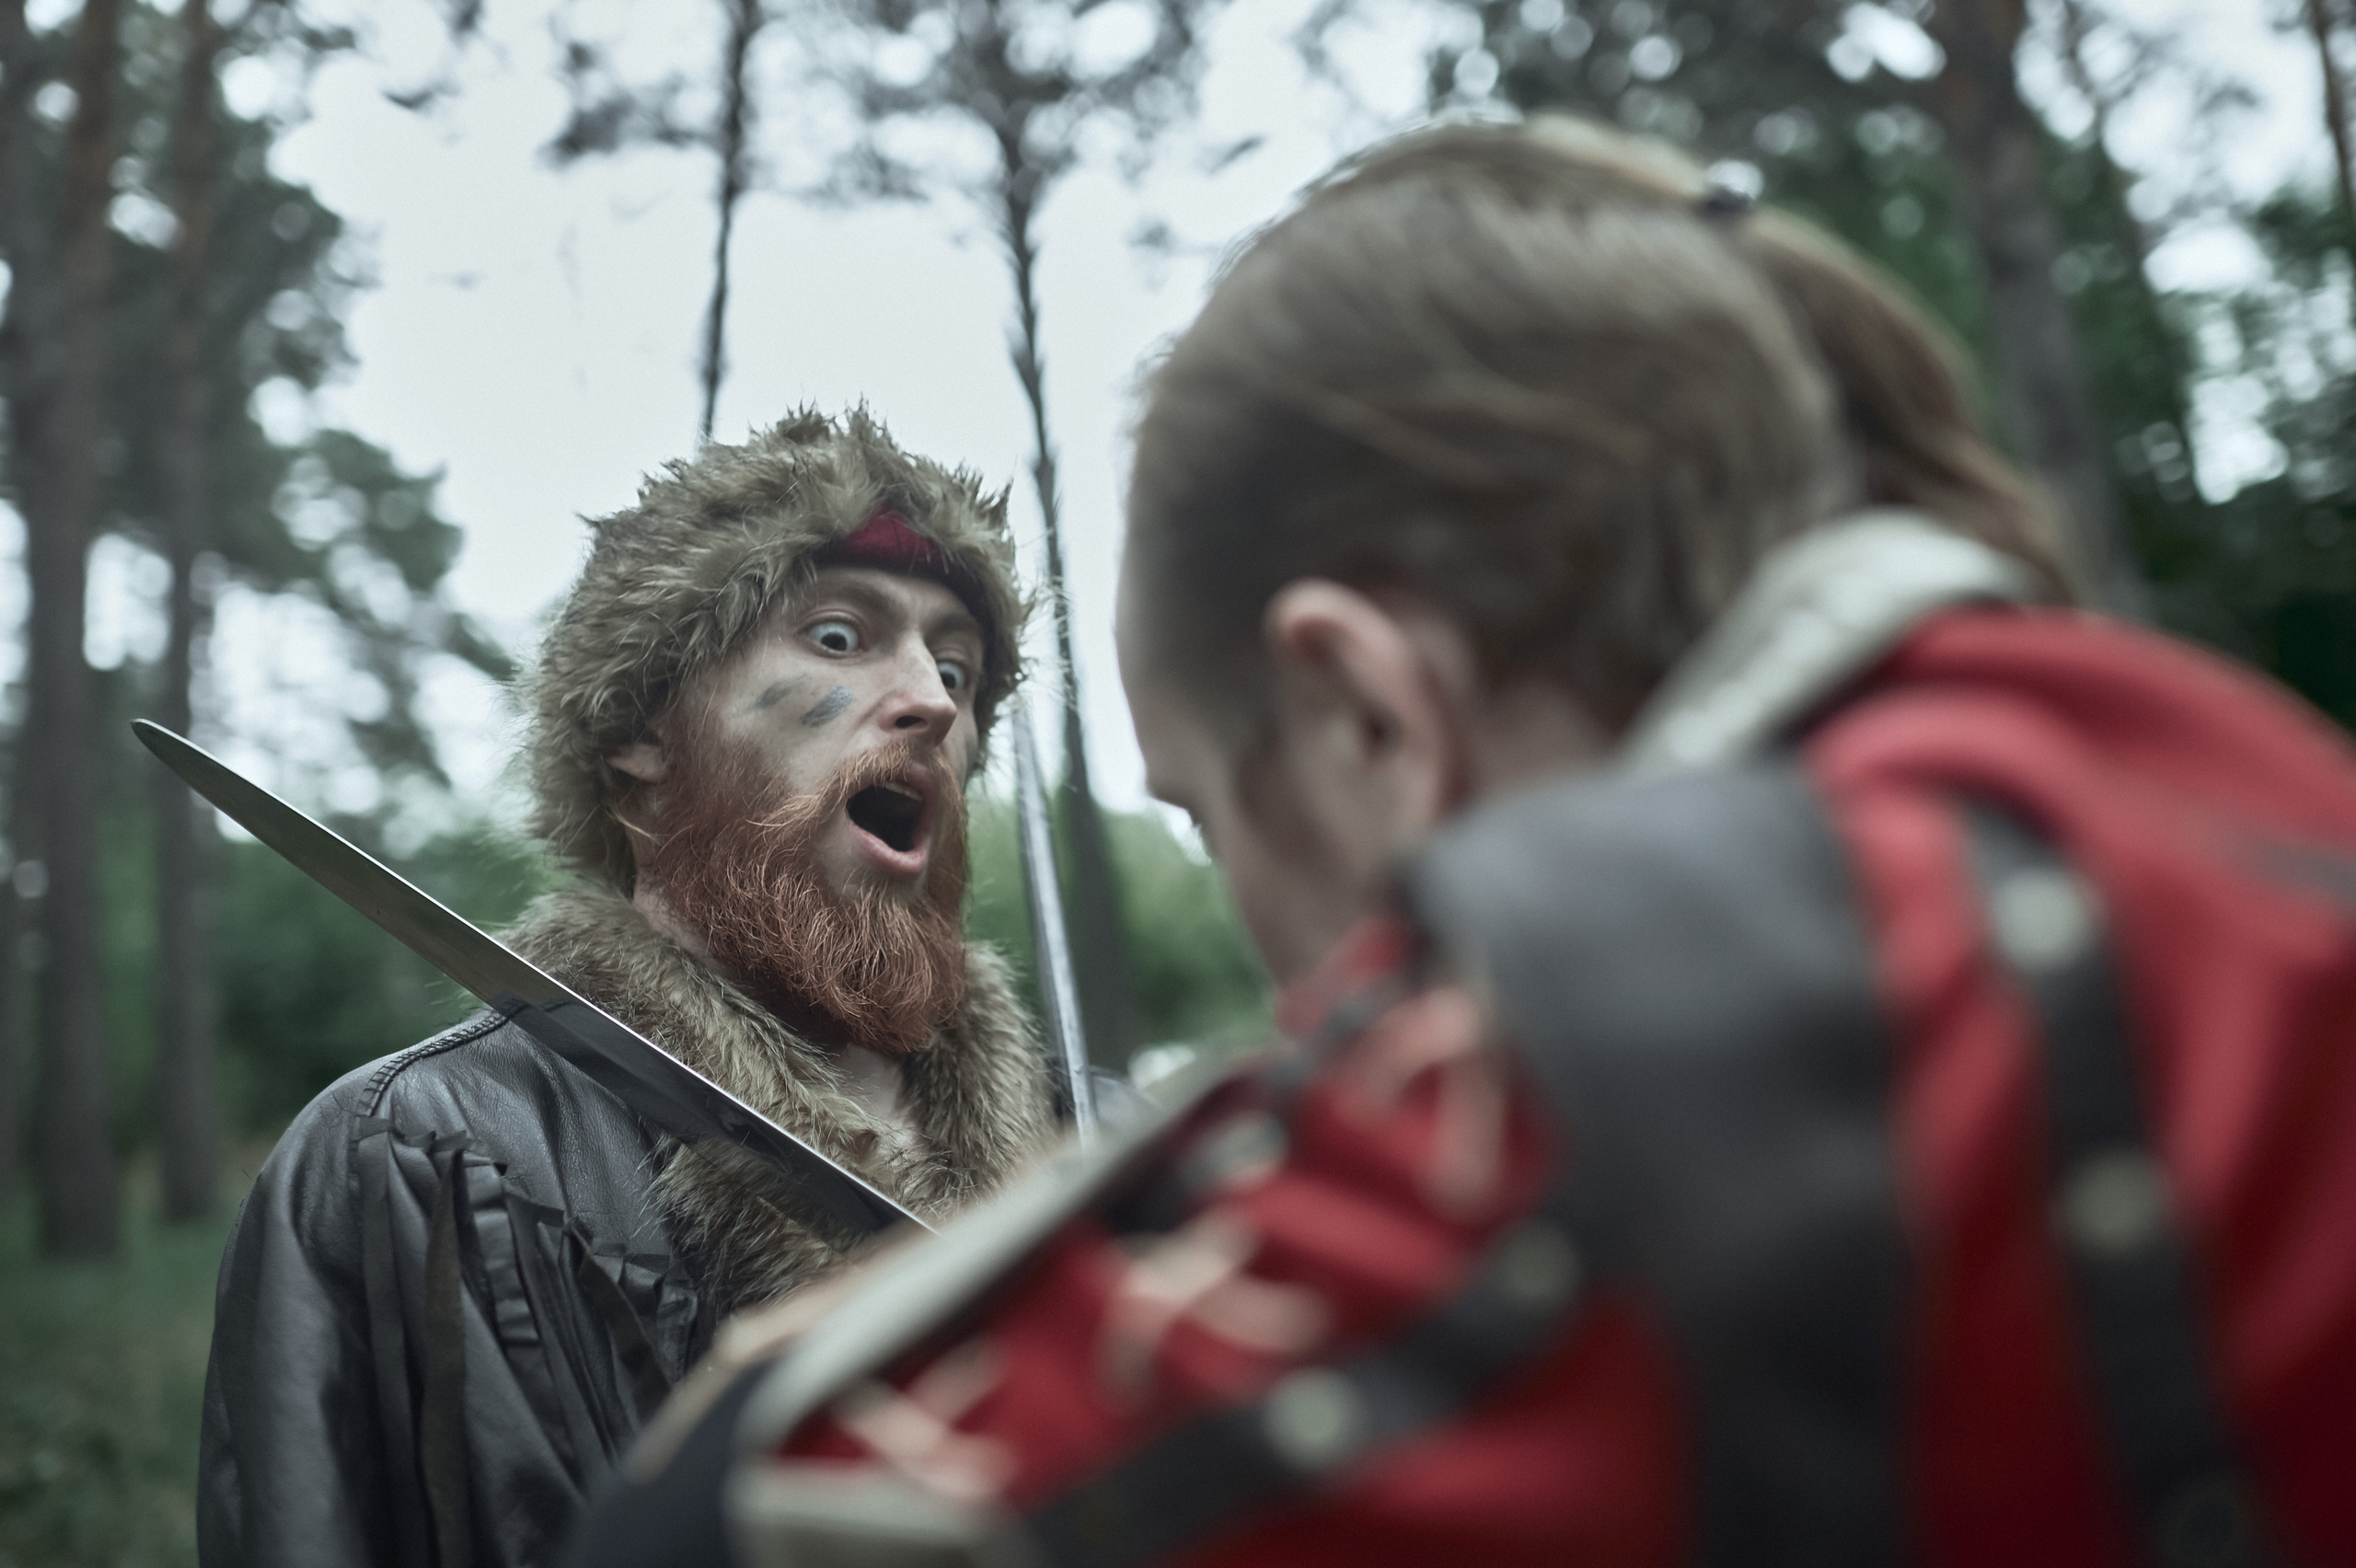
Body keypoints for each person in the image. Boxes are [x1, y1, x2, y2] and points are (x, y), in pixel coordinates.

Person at [571, 121, 2356, 1567]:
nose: (928, 712)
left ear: (1364, 714)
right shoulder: (2230, 773)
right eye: (833, 640)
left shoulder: (1612, 1039)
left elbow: (730, 1521)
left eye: (1207, 803)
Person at [198, 408, 1077, 1568]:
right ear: (641, 736)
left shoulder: (1092, 1143)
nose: (930, 697)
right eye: (834, 636)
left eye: (957, 666)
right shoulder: (422, 1154)